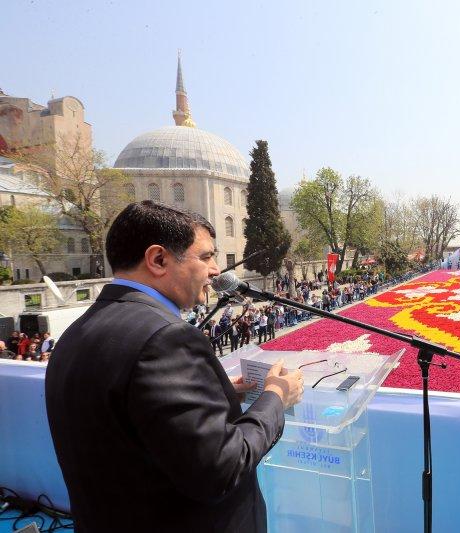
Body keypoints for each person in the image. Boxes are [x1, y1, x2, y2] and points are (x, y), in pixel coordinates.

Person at [45, 201, 304, 532]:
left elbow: (132, 423)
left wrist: (214, 395)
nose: (216, 271)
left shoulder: (76, 332)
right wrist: (275, 398)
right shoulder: (165, 338)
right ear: (158, 260)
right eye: (206, 257)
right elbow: (221, 468)